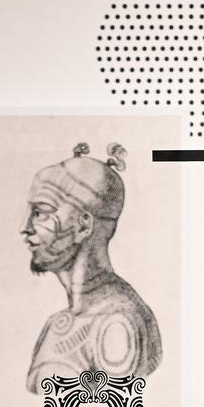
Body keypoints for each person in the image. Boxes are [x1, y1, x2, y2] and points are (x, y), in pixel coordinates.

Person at [21, 142, 160, 390]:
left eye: (40, 212)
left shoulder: (118, 321)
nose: (25, 227)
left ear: (83, 226)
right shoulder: (58, 323)